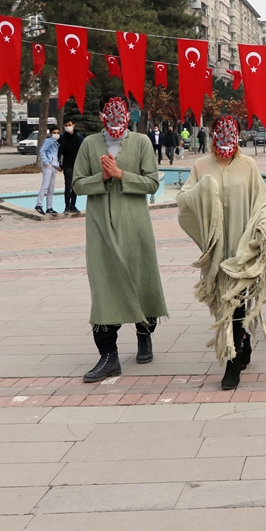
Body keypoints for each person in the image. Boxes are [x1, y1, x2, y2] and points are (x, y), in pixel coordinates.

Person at [178, 115, 266, 389]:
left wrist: (263, 221)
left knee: (236, 303)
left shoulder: (248, 166)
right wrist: (202, 190)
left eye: (231, 134)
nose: (225, 140)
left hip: (243, 247)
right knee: (222, 304)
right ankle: (244, 341)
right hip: (217, 253)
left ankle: (233, 361)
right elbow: (183, 199)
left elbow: (263, 201)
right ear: (213, 135)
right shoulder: (201, 166)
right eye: (220, 134)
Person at [73, 92, 167, 382]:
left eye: (120, 111)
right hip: (101, 226)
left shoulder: (140, 142)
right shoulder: (89, 144)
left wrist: (121, 174)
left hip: (134, 225)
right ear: (102, 114)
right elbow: (76, 184)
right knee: (104, 286)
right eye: (109, 112)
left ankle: (144, 335)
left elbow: (152, 182)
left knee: (141, 280)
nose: (115, 117)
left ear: (128, 114)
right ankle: (108, 356)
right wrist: (100, 178)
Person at [57, 118, 83, 214]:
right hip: (67, 165)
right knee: (68, 185)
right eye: (66, 125)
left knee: (75, 185)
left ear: (73, 125)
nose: (68, 127)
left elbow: (83, 151)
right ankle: (67, 206)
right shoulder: (62, 137)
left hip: (77, 164)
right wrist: (59, 164)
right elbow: (59, 152)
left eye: (69, 125)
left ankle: (73, 206)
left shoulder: (79, 137)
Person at [35, 127, 61, 215]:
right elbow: (42, 151)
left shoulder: (56, 142)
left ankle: (49, 208)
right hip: (48, 166)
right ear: (50, 133)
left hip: (54, 166)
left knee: (51, 188)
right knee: (45, 186)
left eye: (58, 132)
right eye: (54, 132)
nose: (56, 134)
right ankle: (38, 205)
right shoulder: (48, 141)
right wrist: (46, 162)